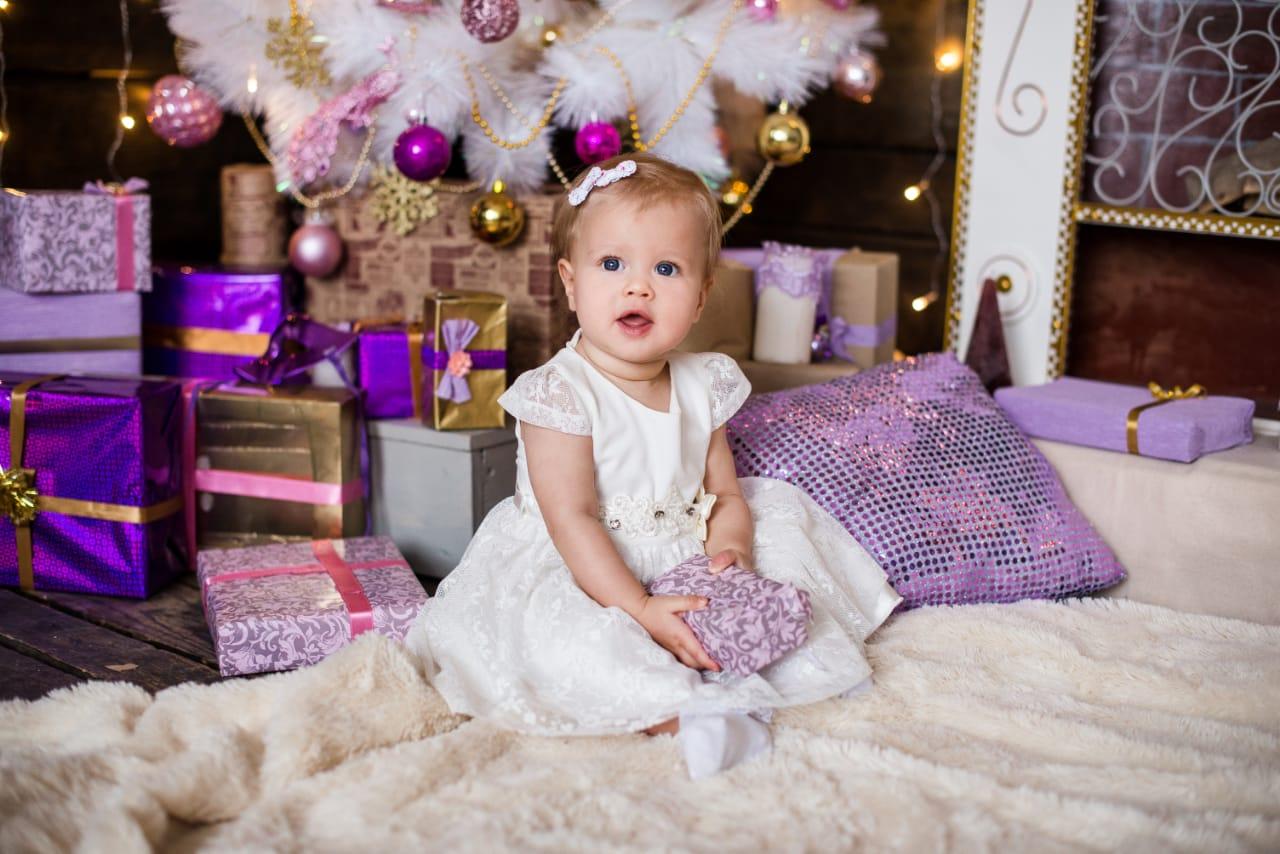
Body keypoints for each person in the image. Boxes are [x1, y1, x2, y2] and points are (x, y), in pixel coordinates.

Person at [406, 153, 900, 778]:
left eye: (666, 269)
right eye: (612, 264)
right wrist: (638, 607)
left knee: (779, 554)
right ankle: (682, 716)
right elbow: (572, 520)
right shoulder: (559, 393)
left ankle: (788, 671)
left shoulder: (704, 383)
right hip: (585, 562)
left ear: (700, 297)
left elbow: (724, 493)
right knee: (569, 642)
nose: (638, 287)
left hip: (682, 547)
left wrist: (729, 555)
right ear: (570, 283)